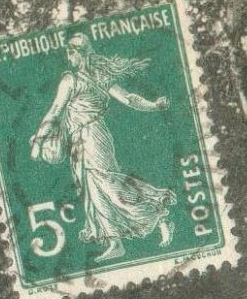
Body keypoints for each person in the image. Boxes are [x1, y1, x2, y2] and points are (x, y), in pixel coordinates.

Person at [30, 32, 176, 262]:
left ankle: (156, 216)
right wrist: (154, 105)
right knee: (93, 189)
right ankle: (115, 241)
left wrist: (38, 141)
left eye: (72, 52)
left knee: (108, 184)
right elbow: (129, 99)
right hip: (83, 139)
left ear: (82, 54)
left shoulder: (74, 80)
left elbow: (55, 111)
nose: (69, 57)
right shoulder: (94, 76)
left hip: (92, 137)